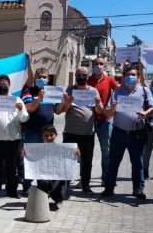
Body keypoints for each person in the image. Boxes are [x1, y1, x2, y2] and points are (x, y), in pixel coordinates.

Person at [101, 68, 153, 199]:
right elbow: (105, 113)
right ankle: (109, 187)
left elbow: (152, 108)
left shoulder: (144, 91)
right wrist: (112, 109)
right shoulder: (117, 92)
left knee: (137, 162)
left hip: (137, 132)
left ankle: (138, 188)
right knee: (114, 161)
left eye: (133, 74)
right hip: (119, 132)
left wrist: (146, 113)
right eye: (127, 75)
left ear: (138, 77)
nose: (130, 77)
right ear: (123, 77)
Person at [55, 66, 103, 194]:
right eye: (79, 75)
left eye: (84, 75)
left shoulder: (93, 91)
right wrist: (67, 102)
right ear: (75, 76)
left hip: (87, 133)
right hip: (70, 132)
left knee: (87, 161)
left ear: (88, 77)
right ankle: (65, 185)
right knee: (67, 160)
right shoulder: (68, 90)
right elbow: (60, 111)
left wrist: (98, 103)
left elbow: (99, 111)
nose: (82, 77)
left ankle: (85, 185)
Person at [0, 74, 29, 200]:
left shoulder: (17, 100)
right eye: (0, 84)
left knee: (11, 167)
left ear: (9, 86)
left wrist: (20, 110)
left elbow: (24, 118)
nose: (3, 86)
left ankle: (12, 191)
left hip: (12, 140)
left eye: (5, 84)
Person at [20, 67, 58, 195]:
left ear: (48, 79)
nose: (42, 79)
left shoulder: (52, 92)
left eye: (44, 77)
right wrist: (39, 99)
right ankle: (27, 186)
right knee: (30, 159)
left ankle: (43, 186)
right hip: (32, 131)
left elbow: (58, 110)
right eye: (39, 77)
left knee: (45, 159)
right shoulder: (28, 91)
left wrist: (67, 103)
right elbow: (28, 109)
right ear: (35, 79)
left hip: (48, 134)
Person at [87, 56, 118, 188]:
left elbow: (120, 90)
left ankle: (106, 178)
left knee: (106, 151)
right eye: (96, 63)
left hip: (105, 121)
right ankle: (84, 179)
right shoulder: (87, 80)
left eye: (101, 64)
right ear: (92, 65)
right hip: (88, 120)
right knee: (87, 151)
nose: (98, 66)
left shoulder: (110, 80)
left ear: (104, 66)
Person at [21, 125, 67, 210]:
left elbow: (72, 162)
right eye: (46, 135)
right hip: (44, 177)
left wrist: (77, 154)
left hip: (57, 177)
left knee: (59, 196)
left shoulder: (63, 149)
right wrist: (24, 154)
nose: (49, 137)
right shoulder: (36, 149)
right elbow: (30, 161)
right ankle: (44, 196)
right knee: (43, 183)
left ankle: (56, 196)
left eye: (51, 135)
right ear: (42, 136)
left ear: (56, 135)